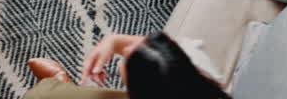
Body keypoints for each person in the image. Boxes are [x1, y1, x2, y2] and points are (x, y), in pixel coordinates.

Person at [23, 32, 228, 98]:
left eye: (127, 59)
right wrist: (113, 41)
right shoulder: (200, 71)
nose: (126, 49)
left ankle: (57, 83)